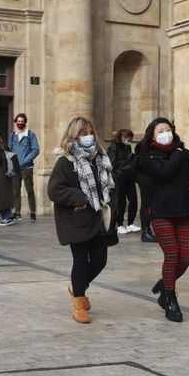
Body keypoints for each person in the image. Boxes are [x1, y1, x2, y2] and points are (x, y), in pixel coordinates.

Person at [48, 117, 115, 324]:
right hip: (77, 220)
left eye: (89, 132)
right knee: (80, 261)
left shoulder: (101, 158)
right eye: (82, 134)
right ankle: (79, 302)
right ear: (73, 136)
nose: (87, 137)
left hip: (98, 219)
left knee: (99, 261)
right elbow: (54, 190)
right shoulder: (65, 162)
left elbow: (111, 185)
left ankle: (77, 285)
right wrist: (80, 197)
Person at [136, 118, 189, 323]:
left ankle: (165, 285)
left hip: (182, 211)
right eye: (160, 131)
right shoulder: (147, 157)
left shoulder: (185, 154)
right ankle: (171, 299)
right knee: (173, 254)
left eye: (168, 130)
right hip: (160, 212)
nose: (165, 133)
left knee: (186, 257)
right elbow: (164, 173)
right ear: (152, 135)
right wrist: (178, 153)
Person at [108, 129, 141, 235]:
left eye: (130, 138)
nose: (128, 140)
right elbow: (112, 163)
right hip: (119, 177)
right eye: (126, 138)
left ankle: (130, 223)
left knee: (133, 200)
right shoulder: (114, 147)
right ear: (121, 137)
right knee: (121, 202)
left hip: (129, 177)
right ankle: (120, 224)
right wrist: (127, 162)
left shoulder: (128, 147)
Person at [8, 113, 40, 221]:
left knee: (29, 190)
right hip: (15, 168)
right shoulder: (13, 136)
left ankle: (32, 212)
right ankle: (17, 212)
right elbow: (9, 150)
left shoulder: (30, 135)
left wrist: (26, 160)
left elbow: (36, 149)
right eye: (18, 121)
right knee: (16, 190)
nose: (20, 123)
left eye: (22, 121)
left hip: (27, 168)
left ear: (25, 122)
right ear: (15, 122)